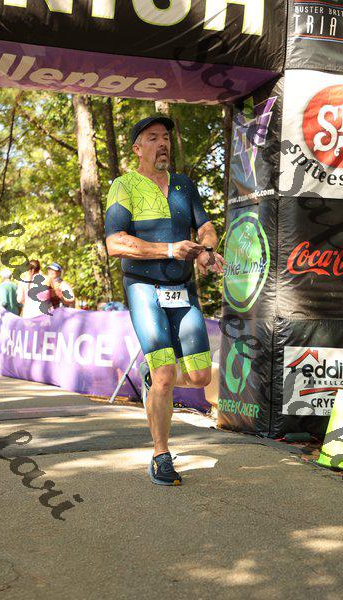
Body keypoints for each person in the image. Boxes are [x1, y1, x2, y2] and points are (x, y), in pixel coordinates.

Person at [105, 115, 225, 486]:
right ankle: (161, 454)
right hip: (144, 289)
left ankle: (156, 378)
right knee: (165, 375)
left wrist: (206, 250)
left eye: (166, 138)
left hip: (183, 289)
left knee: (201, 376)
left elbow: (205, 227)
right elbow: (114, 243)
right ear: (137, 148)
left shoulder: (184, 185)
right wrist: (170, 249)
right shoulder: (124, 186)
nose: (163, 143)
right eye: (153, 137)